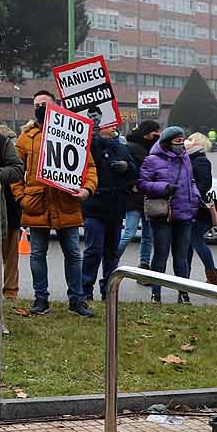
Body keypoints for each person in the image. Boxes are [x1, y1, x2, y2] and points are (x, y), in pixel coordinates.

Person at [12, 90, 98, 316]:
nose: (39, 107)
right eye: (36, 104)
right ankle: (41, 300)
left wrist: (86, 190)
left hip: (66, 202)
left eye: (44, 103)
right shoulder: (26, 137)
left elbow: (89, 167)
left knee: (73, 253)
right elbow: (13, 169)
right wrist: (22, 197)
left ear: (55, 106)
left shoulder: (71, 133)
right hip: (37, 204)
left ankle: (77, 300)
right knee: (37, 254)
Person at [136, 126, 203, 303]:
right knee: (161, 255)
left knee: (182, 257)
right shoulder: (152, 159)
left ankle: (183, 293)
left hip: (185, 214)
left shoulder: (185, 158)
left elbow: (192, 181)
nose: (181, 145)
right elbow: (142, 184)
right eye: (177, 141)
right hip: (162, 215)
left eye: (183, 141)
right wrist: (164, 188)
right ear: (167, 142)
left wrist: (195, 197)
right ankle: (155, 293)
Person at [80, 122, 136, 301]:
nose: (112, 128)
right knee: (94, 250)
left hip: (115, 207)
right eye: (108, 125)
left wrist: (127, 168)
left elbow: (134, 173)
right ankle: (86, 289)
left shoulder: (122, 148)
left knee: (111, 253)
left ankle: (109, 290)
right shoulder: (91, 145)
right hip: (94, 206)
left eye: (113, 125)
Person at [121, 119, 162, 270]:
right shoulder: (132, 148)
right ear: (147, 133)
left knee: (147, 236)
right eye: (155, 133)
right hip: (135, 198)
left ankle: (144, 265)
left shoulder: (154, 149)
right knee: (129, 232)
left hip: (149, 197)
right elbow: (130, 171)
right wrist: (133, 184)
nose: (157, 136)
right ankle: (112, 258)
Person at [184, 132, 217, 285]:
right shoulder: (189, 158)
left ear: (197, 143)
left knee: (195, 239)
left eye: (190, 139)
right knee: (187, 243)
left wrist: (191, 196)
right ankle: (184, 276)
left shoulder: (200, 160)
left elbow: (205, 184)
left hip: (198, 209)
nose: (187, 141)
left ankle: (212, 276)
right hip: (192, 207)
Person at [0, 121, 24, 299]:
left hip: (9, 208)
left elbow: (17, 170)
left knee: (10, 255)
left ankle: (10, 292)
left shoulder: (1, 143)